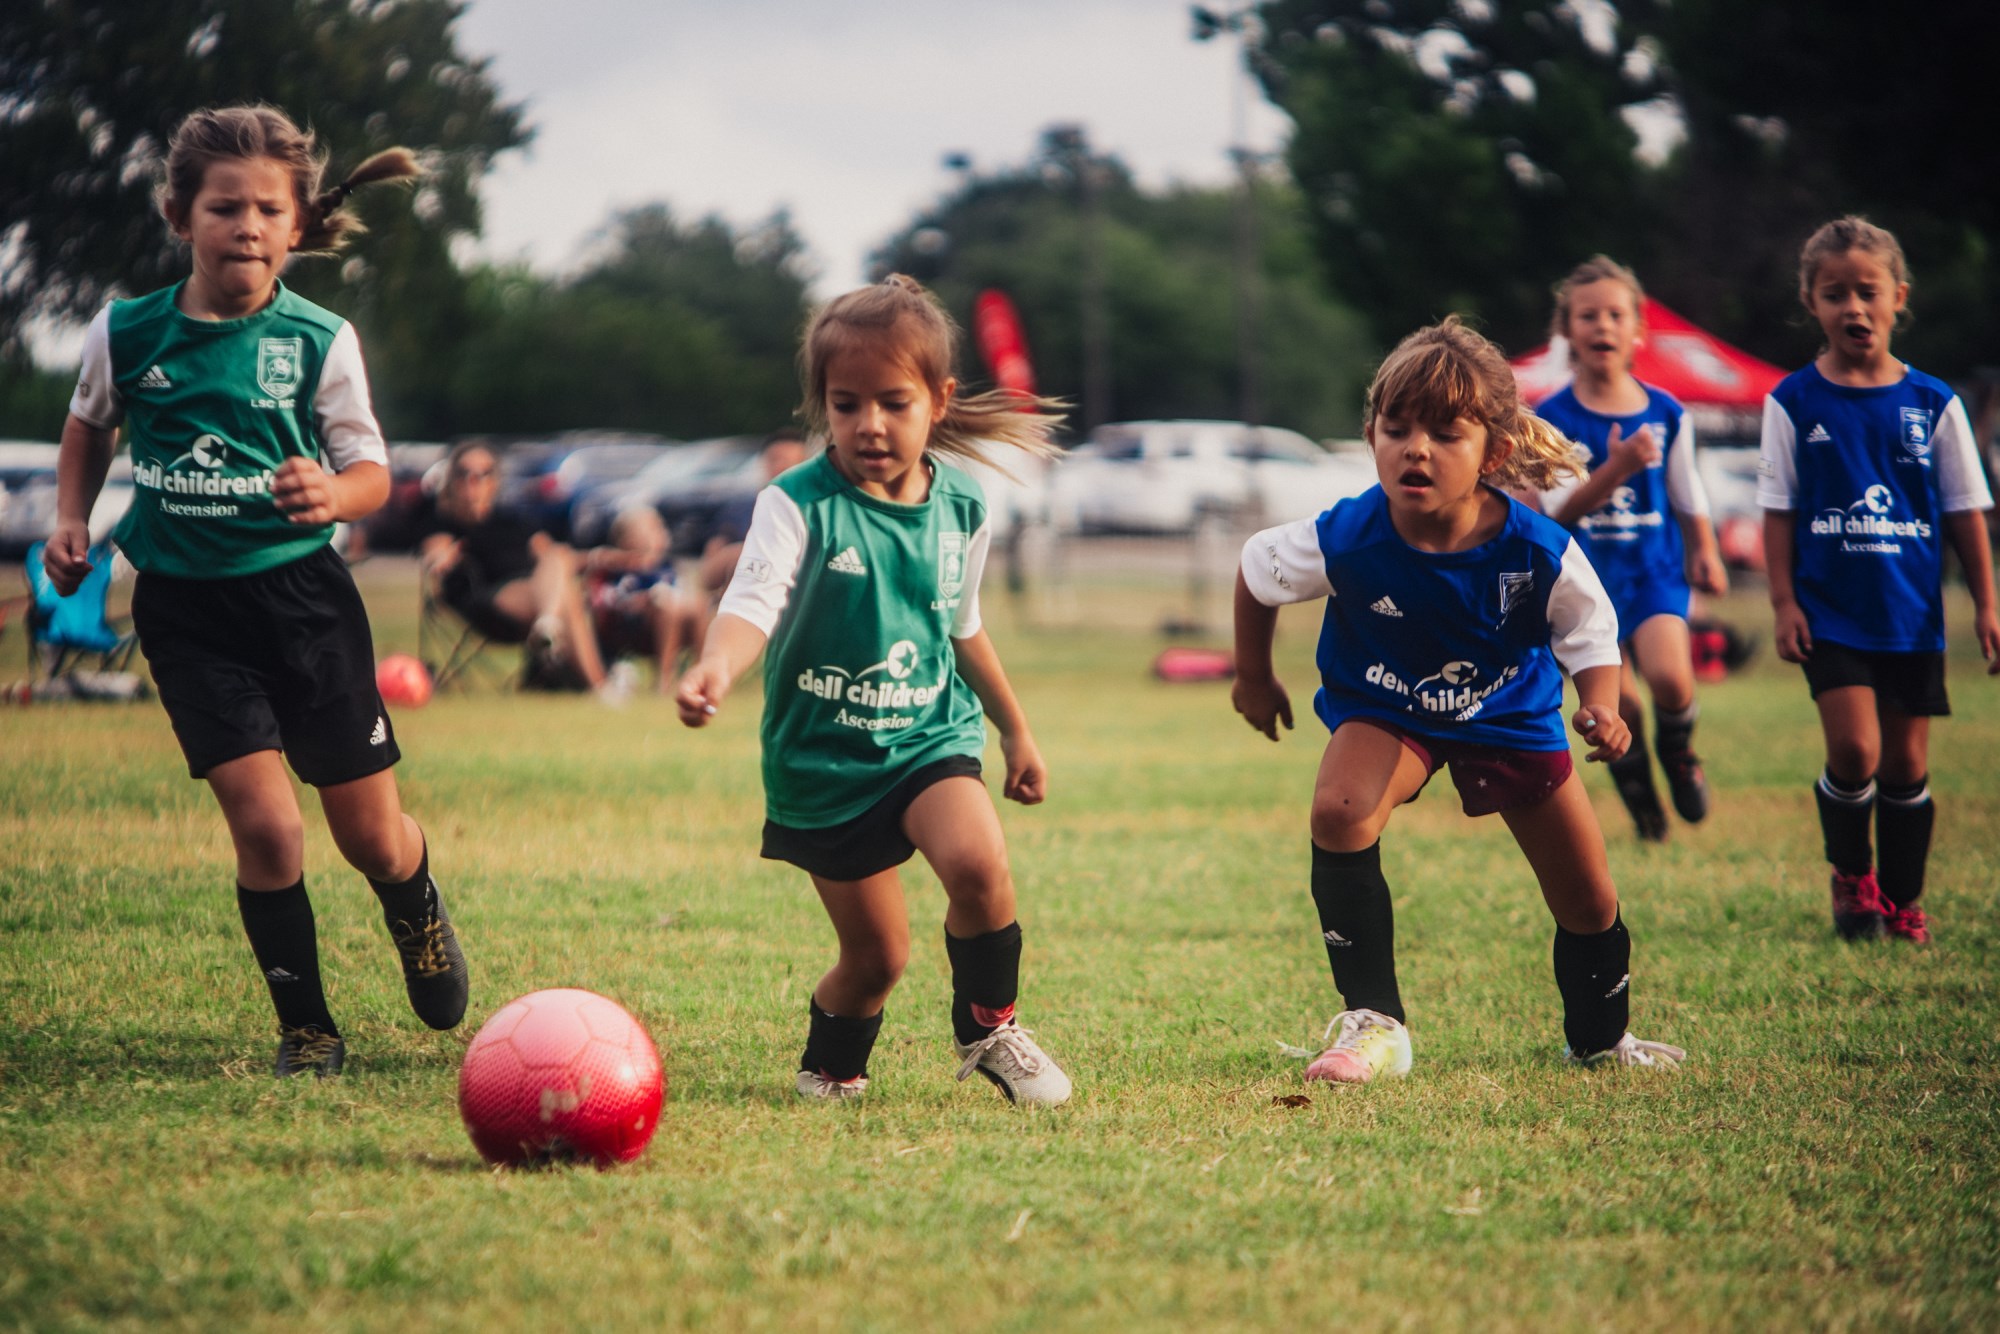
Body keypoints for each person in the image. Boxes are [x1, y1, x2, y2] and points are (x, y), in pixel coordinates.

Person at [41, 105, 468, 1077]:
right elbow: (85, 428)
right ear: (177, 214)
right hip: (187, 612)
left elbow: (371, 471)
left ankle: (417, 907)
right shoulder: (126, 331)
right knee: (268, 825)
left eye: (266, 208)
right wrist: (73, 520)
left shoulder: (320, 337)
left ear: (297, 224)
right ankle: (308, 1025)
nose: (245, 224)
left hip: (304, 603)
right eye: (223, 206)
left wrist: (332, 490)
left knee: (369, 833)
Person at [1232, 318, 1686, 1085]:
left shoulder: (1536, 549)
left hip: (1509, 713)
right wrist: (1252, 675)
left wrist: (1602, 706)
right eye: (1397, 428)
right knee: (1340, 811)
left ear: (1493, 454)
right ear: (1370, 434)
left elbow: (1590, 630)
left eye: (1445, 434)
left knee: (1587, 897)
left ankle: (1602, 1040)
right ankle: (1375, 1022)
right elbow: (1255, 570)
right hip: (1391, 707)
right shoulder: (1346, 535)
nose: (1417, 449)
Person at [676, 275, 1073, 1104]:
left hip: (929, 736)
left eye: (893, 402)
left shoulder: (963, 505)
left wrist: (1016, 731)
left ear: (939, 399)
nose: (870, 425)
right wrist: (716, 667)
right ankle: (832, 1068)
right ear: (822, 406)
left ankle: (990, 1026)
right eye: (846, 403)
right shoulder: (795, 505)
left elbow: (962, 627)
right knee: (878, 958)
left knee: (978, 862)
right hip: (825, 762)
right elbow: (750, 605)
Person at [1758, 217, 1998, 944]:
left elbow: (1965, 512)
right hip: (1831, 614)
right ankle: (1851, 876)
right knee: (1856, 752)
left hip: (1911, 616)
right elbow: (1777, 511)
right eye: (1836, 294)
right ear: (1812, 301)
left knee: (1906, 766)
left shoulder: (1934, 405)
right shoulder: (1793, 402)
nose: (1853, 308)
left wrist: (1988, 603)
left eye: (1868, 292)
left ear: (1899, 297)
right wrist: (1782, 601)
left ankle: (1902, 900)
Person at [1535, 257, 1729, 841]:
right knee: (1616, 711)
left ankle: (1680, 755)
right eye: (1587, 315)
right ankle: (1645, 806)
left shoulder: (1667, 412)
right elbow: (1561, 511)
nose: (1602, 325)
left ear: (1638, 330)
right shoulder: (1553, 417)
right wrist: (1617, 468)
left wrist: (1705, 551)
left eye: (1616, 314)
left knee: (1671, 681)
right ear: (1567, 330)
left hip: (1653, 574)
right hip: (1586, 587)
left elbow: (1686, 490)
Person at [418, 440, 621, 700]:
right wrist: (442, 557)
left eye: (483, 474)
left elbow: (552, 552)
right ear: (451, 479)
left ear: (494, 480)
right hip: (488, 603)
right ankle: (597, 683)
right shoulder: (442, 521)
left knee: (557, 558)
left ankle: (549, 627)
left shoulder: (510, 518)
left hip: (535, 593)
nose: (473, 481)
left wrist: (605, 557)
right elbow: (436, 551)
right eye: (464, 473)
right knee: (568, 594)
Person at [587, 505, 707, 693]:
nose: (660, 532)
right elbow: (604, 602)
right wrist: (643, 600)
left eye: (660, 527)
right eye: (651, 528)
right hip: (630, 628)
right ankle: (664, 681)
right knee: (665, 606)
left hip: (673, 621)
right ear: (626, 539)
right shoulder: (616, 569)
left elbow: (681, 595)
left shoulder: (666, 568)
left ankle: (701, 676)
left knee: (698, 605)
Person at [698, 428, 813, 603]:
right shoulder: (740, 509)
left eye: (790, 462)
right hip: (744, 597)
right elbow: (706, 576)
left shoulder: (816, 512)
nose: (781, 467)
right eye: (774, 460)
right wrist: (742, 554)